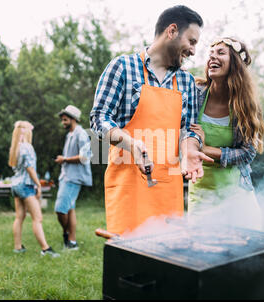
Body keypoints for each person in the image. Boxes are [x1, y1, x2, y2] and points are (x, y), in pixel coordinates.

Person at [90, 5, 212, 235]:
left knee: (167, 265)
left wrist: (190, 149)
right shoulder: (122, 67)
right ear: (172, 31)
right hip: (128, 190)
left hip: (168, 191)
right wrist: (130, 144)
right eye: (192, 41)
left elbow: (189, 130)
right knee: (128, 266)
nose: (194, 51)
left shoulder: (186, 82)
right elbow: (99, 118)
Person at [189, 37, 264, 230]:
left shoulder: (245, 105)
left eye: (220, 53)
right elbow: (181, 133)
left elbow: (247, 153)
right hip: (202, 193)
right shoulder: (194, 94)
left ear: (235, 64)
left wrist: (206, 149)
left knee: (246, 251)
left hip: (237, 193)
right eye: (210, 54)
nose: (212, 57)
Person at [8, 121, 60, 257]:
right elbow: (30, 168)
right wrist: (38, 184)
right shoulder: (27, 147)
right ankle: (45, 249)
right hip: (26, 185)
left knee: (19, 217)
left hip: (16, 184)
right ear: (27, 132)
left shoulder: (15, 148)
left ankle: (18, 247)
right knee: (37, 218)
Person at [54, 105, 93, 250]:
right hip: (66, 176)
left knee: (60, 209)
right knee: (69, 209)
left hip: (74, 178)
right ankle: (72, 242)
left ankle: (66, 232)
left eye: (65, 120)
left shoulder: (80, 134)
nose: (63, 123)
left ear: (73, 119)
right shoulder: (69, 134)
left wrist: (64, 159)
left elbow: (84, 157)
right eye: (62, 120)